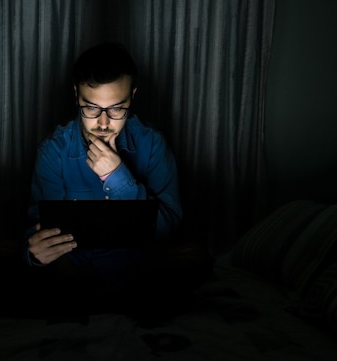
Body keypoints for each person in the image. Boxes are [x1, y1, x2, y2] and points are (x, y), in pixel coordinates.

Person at [22, 42, 206, 299]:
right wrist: (36, 252)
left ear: (132, 96)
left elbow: (169, 228)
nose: (104, 122)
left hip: (137, 266)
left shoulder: (151, 143)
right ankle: (107, 300)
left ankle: (106, 300)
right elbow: (38, 226)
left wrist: (117, 176)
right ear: (76, 95)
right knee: (6, 255)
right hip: (74, 269)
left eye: (117, 108)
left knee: (196, 255)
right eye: (91, 108)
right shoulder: (53, 150)